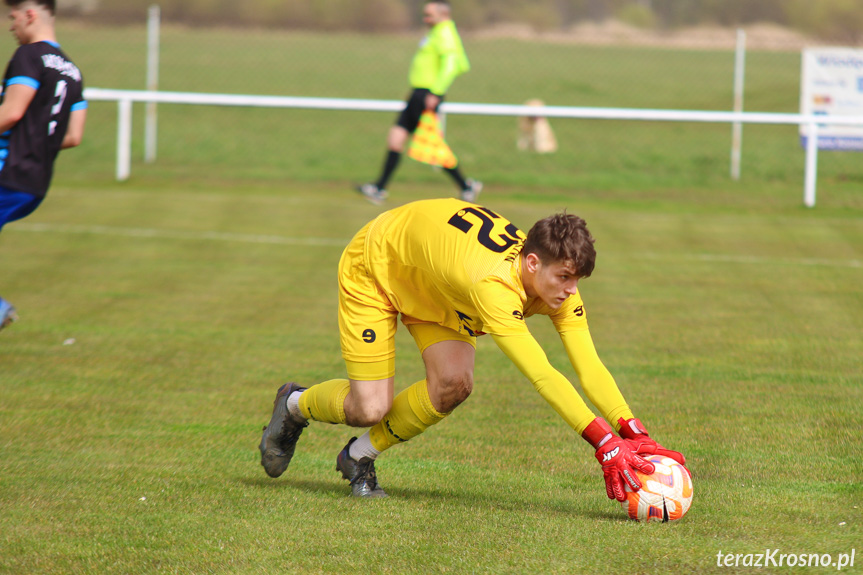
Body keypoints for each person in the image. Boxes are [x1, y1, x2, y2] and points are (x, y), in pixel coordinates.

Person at [259, 198, 687, 499]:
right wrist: (603, 443)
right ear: (533, 263)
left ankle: (358, 457)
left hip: (438, 285)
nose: (572, 292)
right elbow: (542, 373)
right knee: (369, 407)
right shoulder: (494, 287)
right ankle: (294, 405)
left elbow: (588, 365)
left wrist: (632, 431)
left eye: (577, 281)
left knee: (453, 385)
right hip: (379, 264)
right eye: (565, 279)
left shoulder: (552, 282)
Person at [0, 0, 87, 332]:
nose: (11, 26)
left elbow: (11, 113)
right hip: (35, 182)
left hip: (7, 171)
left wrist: (20, 139)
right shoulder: (73, 70)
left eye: (13, 17)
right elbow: (73, 136)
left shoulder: (29, 57)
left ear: (30, 15)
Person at [356, 0, 482, 206]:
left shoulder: (444, 33)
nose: (425, 19)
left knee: (432, 145)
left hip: (427, 95)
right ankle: (379, 187)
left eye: (429, 15)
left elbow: (453, 65)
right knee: (395, 138)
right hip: (417, 94)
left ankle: (467, 185)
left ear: (444, 15)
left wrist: (436, 91)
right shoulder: (435, 33)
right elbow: (463, 63)